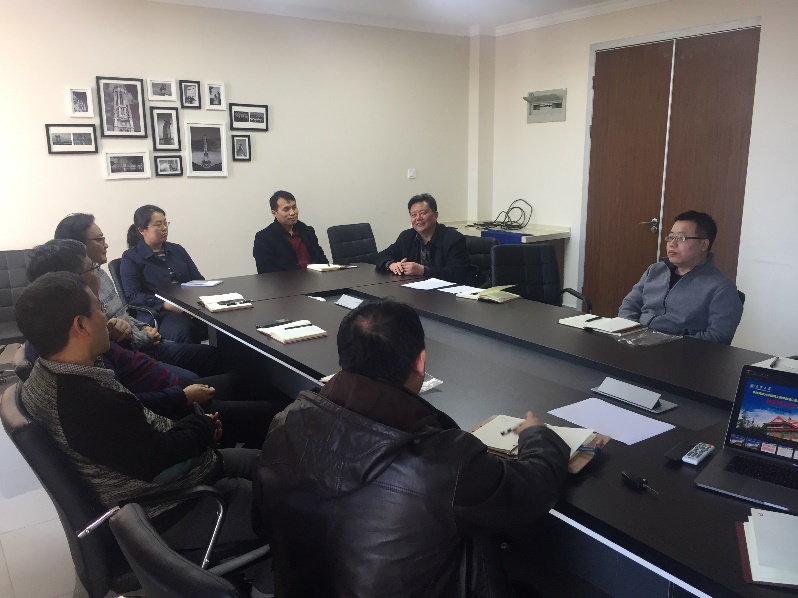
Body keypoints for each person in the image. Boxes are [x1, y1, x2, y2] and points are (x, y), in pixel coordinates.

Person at [253, 298, 569, 596]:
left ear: (344, 359)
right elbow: (532, 490)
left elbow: (260, 522)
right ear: (421, 362)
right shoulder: (445, 459)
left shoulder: (285, 422)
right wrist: (537, 436)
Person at [15, 271, 266, 560]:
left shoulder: (48, 374)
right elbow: (159, 462)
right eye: (100, 308)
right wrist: (203, 426)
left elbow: (130, 438)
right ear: (81, 325)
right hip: (172, 507)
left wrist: (195, 426)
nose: (106, 316)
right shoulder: (87, 401)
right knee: (292, 494)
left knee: (262, 462)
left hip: (164, 482)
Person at [25, 239, 286, 448]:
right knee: (282, 412)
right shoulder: (73, 352)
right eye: (92, 268)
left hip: (169, 388)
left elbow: (125, 375)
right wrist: (185, 401)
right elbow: (127, 408)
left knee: (251, 381)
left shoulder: (75, 334)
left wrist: (125, 335)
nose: (98, 272)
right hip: (178, 408)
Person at [54, 213, 221, 378]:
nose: (106, 244)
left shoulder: (101, 274)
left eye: (165, 223)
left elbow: (123, 315)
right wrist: (147, 333)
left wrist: (142, 328)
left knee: (213, 354)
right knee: (190, 372)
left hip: (146, 338)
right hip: (138, 346)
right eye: (99, 240)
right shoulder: (77, 292)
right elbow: (127, 312)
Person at [618, 210, 743, 344]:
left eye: (681, 238)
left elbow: (718, 337)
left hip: (680, 352)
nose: (672, 243)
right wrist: (633, 333)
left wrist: (665, 343)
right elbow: (629, 305)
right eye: (671, 237)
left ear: (703, 245)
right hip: (636, 343)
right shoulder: (655, 271)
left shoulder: (721, 288)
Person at [120, 205, 206, 343]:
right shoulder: (131, 257)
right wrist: (165, 304)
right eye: (158, 224)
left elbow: (198, 280)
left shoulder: (177, 250)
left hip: (188, 306)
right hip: (158, 313)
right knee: (186, 330)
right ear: (142, 230)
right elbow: (133, 296)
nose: (164, 228)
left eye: (165, 223)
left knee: (221, 323)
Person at [375, 193, 476, 284]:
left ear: (436, 215)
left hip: (446, 293)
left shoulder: (453, 239)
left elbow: (457, 274)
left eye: (423, 213)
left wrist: (424, 270)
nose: (418, 218)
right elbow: (380, 256)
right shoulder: (407, 236)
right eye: (414, 215)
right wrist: (391, 264)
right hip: (416, 291)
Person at [252, 190, 328, 273]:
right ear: (274, 213)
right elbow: (265, 271)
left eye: (294, 207)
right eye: (286, 209)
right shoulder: (264, 238)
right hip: (285, 281)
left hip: (314, 278)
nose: (292, 213)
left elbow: (322, 261)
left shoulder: (307, 231)